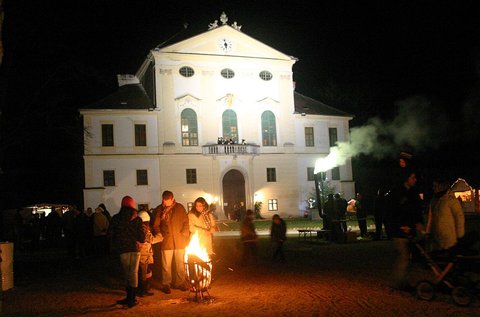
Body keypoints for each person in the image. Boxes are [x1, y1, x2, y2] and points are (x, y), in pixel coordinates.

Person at [389, 169, 424, 291]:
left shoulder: (413, 193)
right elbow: (393, 212)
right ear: (406, 179)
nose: (415, 180)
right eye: (413, 177)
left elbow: (417, 209)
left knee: (409, 258)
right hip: (400, 232)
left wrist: (419, 221)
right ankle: (399, 283)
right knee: (403, 257)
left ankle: (405, 281)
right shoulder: (397, 192)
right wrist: (401, 225)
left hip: (410, 230)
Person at [109, 196, 145, 308]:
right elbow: (142, 238)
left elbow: (110, 234)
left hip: (122, 249)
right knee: (133, 273)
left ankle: (128, 298)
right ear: (132, 205)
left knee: (127, 273)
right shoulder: (137, 219)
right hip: (134, 249)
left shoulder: (116, 218)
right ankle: (132, 299)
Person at [151, 190, 190, 294]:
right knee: (166, 265)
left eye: (168, 200)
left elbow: (186, 221)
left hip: (179, 240)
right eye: (164, 200)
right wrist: (159, 233)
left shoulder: (180, 208)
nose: (166, 203)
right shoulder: (160, 210)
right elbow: (155, 225)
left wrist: (185, 232)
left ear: (172, 199)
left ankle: (180, 282)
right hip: (167, 241)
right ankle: (166, 284)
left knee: (180, 264)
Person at [426, 179, 464, 251]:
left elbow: (459, 218)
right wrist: (428, 232)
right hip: (436, 239)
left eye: (435, 186)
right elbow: (430, 218)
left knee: (448, 259)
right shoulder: (433, 201)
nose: (433, 188)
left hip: (449, 240)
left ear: (441, 186)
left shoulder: (451, 200)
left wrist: (460, 236)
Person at [137, 210, 162, 297]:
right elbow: (151, 239)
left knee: (145, 272)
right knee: (143, 274)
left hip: (142, 254)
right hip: (144, 254)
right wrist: (160, 236)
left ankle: (144, 289)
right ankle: (142, 291)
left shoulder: (138, 227)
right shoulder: (144, 229)